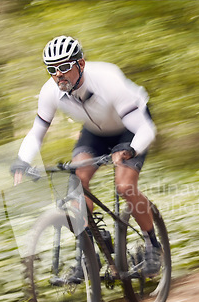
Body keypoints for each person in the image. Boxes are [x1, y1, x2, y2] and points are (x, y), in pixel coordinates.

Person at [11, 35, 160, 276]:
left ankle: (153, 243)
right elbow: (37, 132)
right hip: (95, 132)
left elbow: (145, 129)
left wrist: (131, 150)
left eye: (64, 67)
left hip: (131, 128)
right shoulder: (50, 91)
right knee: (75, 181)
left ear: (80, 64)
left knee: (124, 186)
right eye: (52, 69)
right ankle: (92, 247)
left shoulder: (108, 79)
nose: (58, 75)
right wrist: (22, 160)